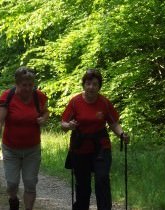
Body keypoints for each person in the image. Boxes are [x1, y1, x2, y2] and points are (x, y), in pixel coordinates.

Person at [60, 69, 130, 210]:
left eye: (95, 84)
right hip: (80, 147)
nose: (91, 87)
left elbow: (114, 123)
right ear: (84, 85)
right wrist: (69, 125)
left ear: (99, 86)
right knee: (83, 184)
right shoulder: (75, 102)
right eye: (88, 83)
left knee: (102, 179)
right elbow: (63, 124)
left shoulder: (104, 103)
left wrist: (122, 135)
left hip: (101, 146)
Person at [0, 66, 49, 210]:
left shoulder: (39, 96)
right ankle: (13, 199)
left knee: (30, 183)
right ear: (17, 84)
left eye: (31, 85)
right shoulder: (7, 97)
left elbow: (45, 112)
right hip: (11, 148)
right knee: (12, 183)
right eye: (24, 85)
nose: (28, 88)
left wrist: (43, 119)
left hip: (32, 148)